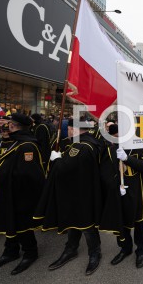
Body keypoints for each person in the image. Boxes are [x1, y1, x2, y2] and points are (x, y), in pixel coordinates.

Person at [34, 117, 106, 276]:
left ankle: (95, 253)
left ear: (76, 129)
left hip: (82, 193)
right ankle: (71, 249)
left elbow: (65, 168)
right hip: (78, 190)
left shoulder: (82, 146)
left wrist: (57, 159)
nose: (69, 131)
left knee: (86, 224)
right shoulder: (88, 142)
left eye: (71, 128)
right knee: (73, 220)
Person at [0, 113, 46, 275]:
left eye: (9, 123)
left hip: (22, 194)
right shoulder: (14, 142)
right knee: (9, 220)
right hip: (7, 191)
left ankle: (30, 253)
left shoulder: (27, 145)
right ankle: (10, 251)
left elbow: (27, 174)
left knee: (22, 223)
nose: (6, 125)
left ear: (14, 125)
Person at [106, 124, 143, 268]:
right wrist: (114, 184)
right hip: (120, 189)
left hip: (137, 190)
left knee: (139, 221)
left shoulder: (141, 146)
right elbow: (107, 169)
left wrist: (127, 158)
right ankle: (125, 248)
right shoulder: (114, 146)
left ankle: (140, 250)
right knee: (122, 220)